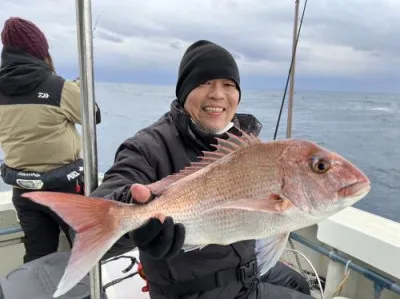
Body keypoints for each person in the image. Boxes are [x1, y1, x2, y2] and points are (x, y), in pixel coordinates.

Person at [91, 40, 312, 298]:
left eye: (229, 85)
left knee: (300, 285)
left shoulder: (245, 144)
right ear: (184, 91)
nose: (218, 94)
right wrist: (132, 212)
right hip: (196, 292)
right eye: (204, 82)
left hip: (247, 277)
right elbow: (109, 199)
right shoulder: (147, 147)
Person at [0, 17, 101, 263]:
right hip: (66, 191)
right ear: (40, 51)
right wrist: (79, 89)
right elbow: (93, 116)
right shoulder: (59, 88)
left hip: (23, 191)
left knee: (37, 255)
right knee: (84, 254)